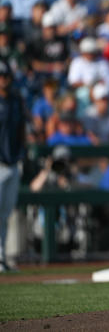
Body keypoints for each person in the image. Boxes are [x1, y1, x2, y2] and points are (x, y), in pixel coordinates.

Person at [0, 61, 25, 272]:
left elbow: (21, 130)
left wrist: (20, 155)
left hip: (12, 162)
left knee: (6, 213)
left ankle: (2, 257)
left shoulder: (16, 100)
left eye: (5, 76)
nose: (3, 80)